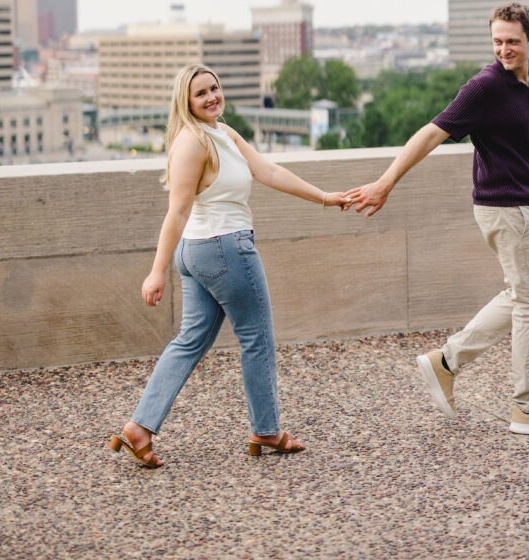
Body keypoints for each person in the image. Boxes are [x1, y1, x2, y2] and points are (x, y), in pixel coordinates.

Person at [348, 3, 529, 436]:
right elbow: (431, 132)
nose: (504, 50)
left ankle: (445, 362)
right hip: (505, 208)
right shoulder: (483, 87)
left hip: (523, 203)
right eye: (497, 41)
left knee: (523, 295)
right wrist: (385, 183)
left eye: (512, 41)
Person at [110, 64, 350, 467]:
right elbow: (178, 210)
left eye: (214, 88)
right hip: (223, 249)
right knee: (257, 338)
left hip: (205, 251)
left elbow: (268, 171)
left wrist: (325, 197)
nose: (211, 97)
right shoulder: (193, 141)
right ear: (185, 101)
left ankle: (139, 429)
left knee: (190, 341)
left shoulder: (223, 132)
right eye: (200, 93)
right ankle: (267, 429)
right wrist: (156, 270)